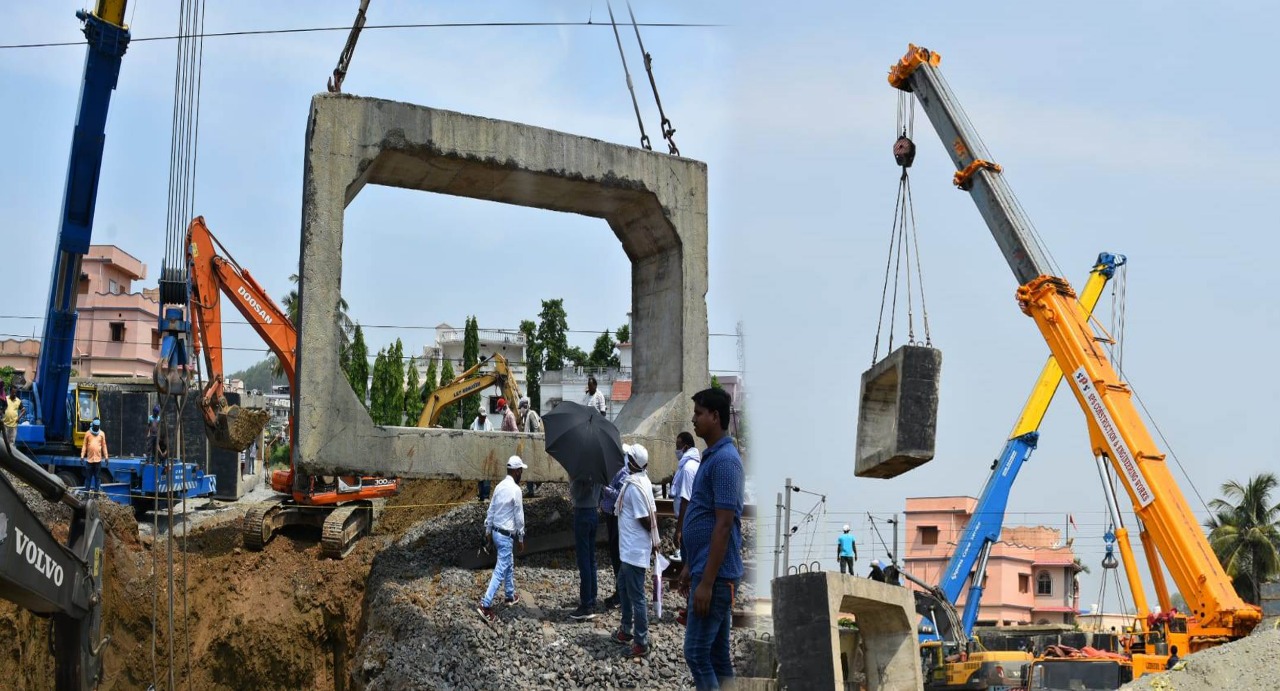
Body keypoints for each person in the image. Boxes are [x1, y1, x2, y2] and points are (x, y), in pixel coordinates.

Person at [679, 387, 744, 690]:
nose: (693, 419)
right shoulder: (714, 457)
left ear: (715, 417)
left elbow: (723, 525)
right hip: (707, 572)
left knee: (696, 653)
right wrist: (690, 565)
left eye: (698, 413)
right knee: (717, 657)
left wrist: (705, 582)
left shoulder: (726, 462)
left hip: (715, 579)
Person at [610, 443, 658, 658]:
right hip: (629, 550)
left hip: (634, 551)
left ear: (632, 462)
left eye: (627, 457)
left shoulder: (635, 487)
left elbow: (646, 519)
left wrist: (653, 538)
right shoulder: (642, 481)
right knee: (623, 586)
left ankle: (641, 640)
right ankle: (626, 629)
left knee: (637, 596)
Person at [476, 456, 528, 623]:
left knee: (508, 562)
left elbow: (491, 509)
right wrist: (521, 537)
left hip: (496, 532)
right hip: (506, 535)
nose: (521, 474)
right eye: (521, 471)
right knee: (500, 569)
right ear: (516, 471)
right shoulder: (516, 490)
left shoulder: (499, 487)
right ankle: (485, 604)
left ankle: (509, 595)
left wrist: (488, 530)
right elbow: (519, 517)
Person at [599, 448, 632, 609]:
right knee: (614, 554)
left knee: (618, 556)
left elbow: (621, 495)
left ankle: (621, 594)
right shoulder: (615, 469)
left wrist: (605, 489)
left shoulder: (623, 472)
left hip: (617, 516)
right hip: (610, 515)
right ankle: (619, 591)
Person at [570, 472, 603, 620]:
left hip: (582, 512)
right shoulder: (598, 470)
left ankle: (586, 604)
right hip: (593, 511)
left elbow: (576, 494)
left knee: (584, 560)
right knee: (591, 559)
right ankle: (592, 597)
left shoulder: (581, 471)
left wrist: (573, 479)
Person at [671, 431, 701, 560]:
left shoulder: (688, 468)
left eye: (678, 446)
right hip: (691, 520)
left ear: (686, 447)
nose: (676, 450)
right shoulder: (694, 464)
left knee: (687, 559)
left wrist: (679, 530)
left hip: (688, 523)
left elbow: (685, 501)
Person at [519, 397, 544, 496]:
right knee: (529, 469)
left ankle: (532, 489)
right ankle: (530, 489)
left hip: (534, 448)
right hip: (530, 448)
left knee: (531, 469)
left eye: (521, 408)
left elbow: (536, 431)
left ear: (525, 406)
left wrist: (534, 447)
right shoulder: (526, 416)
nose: (520, 410)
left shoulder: (531, 414)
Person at [471, 408, 494, 500]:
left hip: (487, 453)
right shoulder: (473, 425)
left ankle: (486, 495)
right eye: (481, 417)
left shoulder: (489, 425)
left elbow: (493, 437)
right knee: (480, 474)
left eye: (484, 417)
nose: (483, 418)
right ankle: (481, 495)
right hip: (478, 453)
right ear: (478, 416)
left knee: (487, 474)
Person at [81, 418, 108, 492]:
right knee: (88, 478)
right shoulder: (88, 433)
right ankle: (86, 493)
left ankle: (96, 494)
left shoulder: (102, 434)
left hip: (98, 460)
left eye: (98, 426)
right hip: (89, 460)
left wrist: (106, 457)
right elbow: (84, 445)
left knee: (97, 478)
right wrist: (82, 456)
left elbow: (104, 446)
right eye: (95, 426)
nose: (96, 427)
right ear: (93, 425)